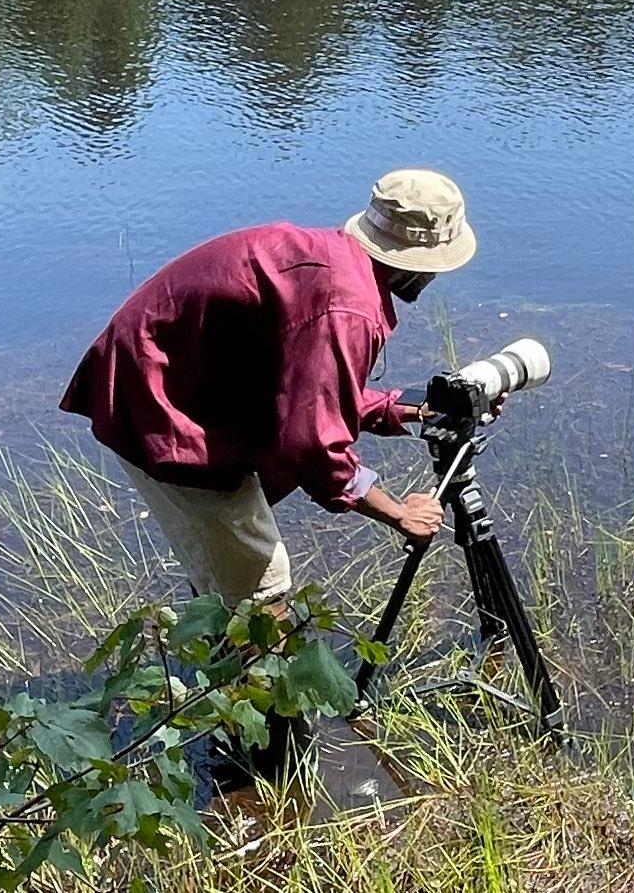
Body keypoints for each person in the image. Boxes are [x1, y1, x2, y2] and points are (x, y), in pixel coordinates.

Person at [60, 168, 478, 610]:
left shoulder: (330, 259)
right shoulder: (347, 307)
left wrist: (410, 409)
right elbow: (312, 445)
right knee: (261, 588)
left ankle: (212, 647)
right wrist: (398, 513)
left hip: (171, 380)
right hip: (164, 409)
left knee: (228, 568)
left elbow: (305, 389)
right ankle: (246, 671)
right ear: (419, 262)